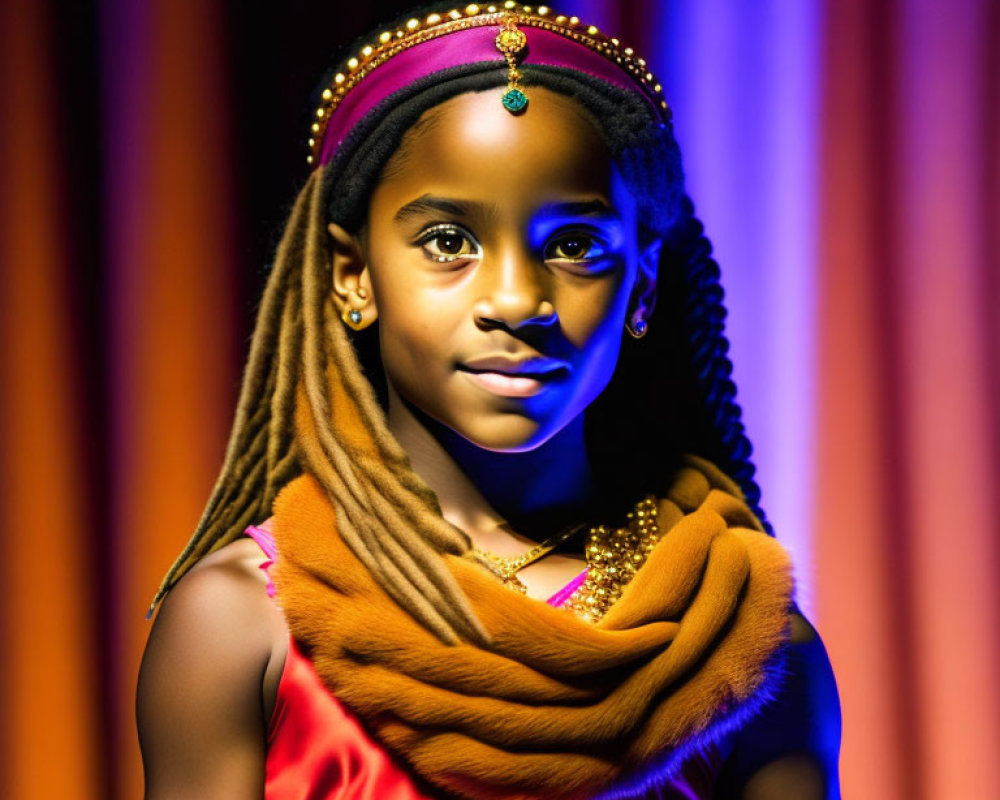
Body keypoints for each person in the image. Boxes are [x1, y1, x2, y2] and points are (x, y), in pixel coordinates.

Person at [136, 4, 841, 798]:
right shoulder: (240, 623)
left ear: (641, 283)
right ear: (352, 276)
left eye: (573, 245)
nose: (515, 299)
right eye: (448, 242)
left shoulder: (743, 642)